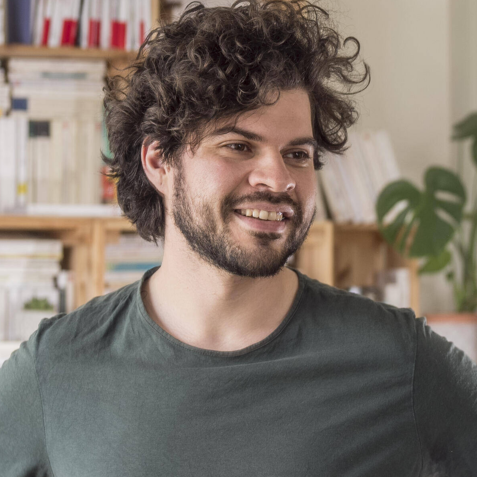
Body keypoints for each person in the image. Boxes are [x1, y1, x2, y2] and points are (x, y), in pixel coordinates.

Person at [1, 0, 476, 475]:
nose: (278, 179)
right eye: (238, 146)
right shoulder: (55, 366)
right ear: (159, 162)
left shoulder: (400, 360)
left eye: (297, 154)